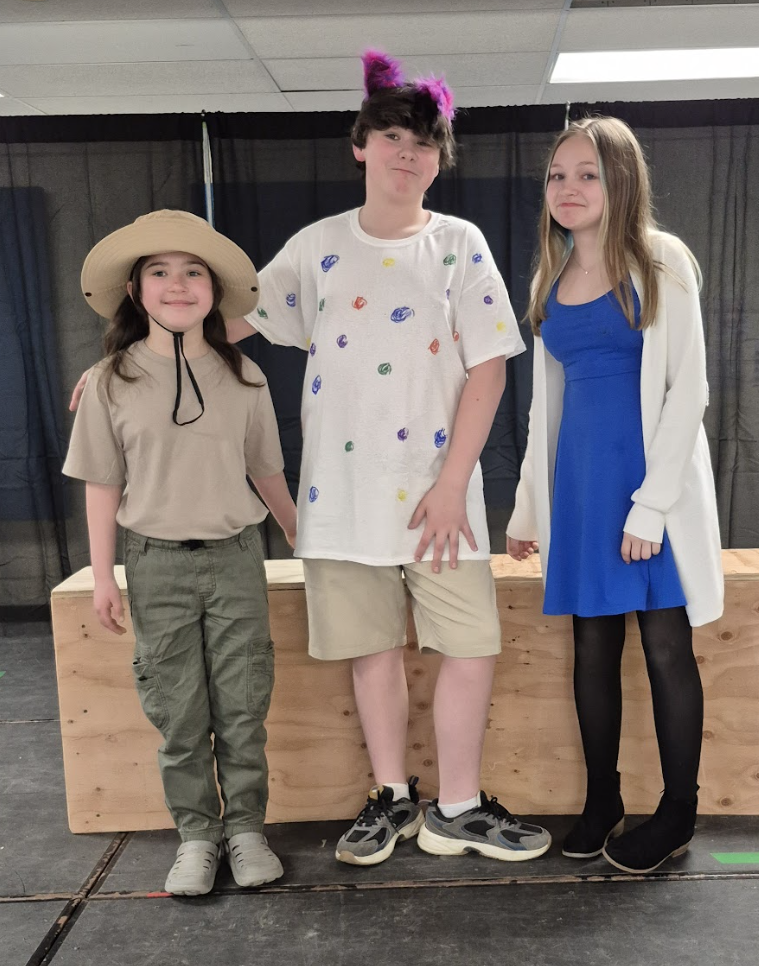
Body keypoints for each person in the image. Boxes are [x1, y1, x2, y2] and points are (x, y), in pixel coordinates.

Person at [224, 51, 552, 865]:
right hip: (342, 500)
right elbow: (223, 321)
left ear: (439, 160)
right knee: (372, 652)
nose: (410, 154)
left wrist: (451, 486)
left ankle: (459, 807)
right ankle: (393, 798)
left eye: (427, 143)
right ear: (361, 145)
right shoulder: (316, 247)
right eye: (395, 136)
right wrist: (124, 357)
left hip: (440, 498)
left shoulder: (458, 244)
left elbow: (489, 366)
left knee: (469, 645)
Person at [506, 117, 724, 874]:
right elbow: (544, 407)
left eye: (587, 174)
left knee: (666, 648)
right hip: (581, 485)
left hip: (646, 486)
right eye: (557, 176)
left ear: (621, 180)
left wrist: (652, 505)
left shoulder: (661, 260)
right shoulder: (550, 276)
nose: (568, 188)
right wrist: (529, 508)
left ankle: (678, 812)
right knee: (591, 647)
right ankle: (604, 801)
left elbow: (687, 387)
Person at [63, 210, 298, 896]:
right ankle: (197, 835)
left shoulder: (246, 377)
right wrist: (104, 576)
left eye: (194, 272)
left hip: (233, 559)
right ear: (136, 291)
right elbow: (103, 484)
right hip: (156, 563)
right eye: (159, 272)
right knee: (179, 710)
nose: (178, 284)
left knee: (242, 702)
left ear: (213, 291)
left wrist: (294, 530)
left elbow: (266, 470)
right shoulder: (110, 381)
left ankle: (247, 830)